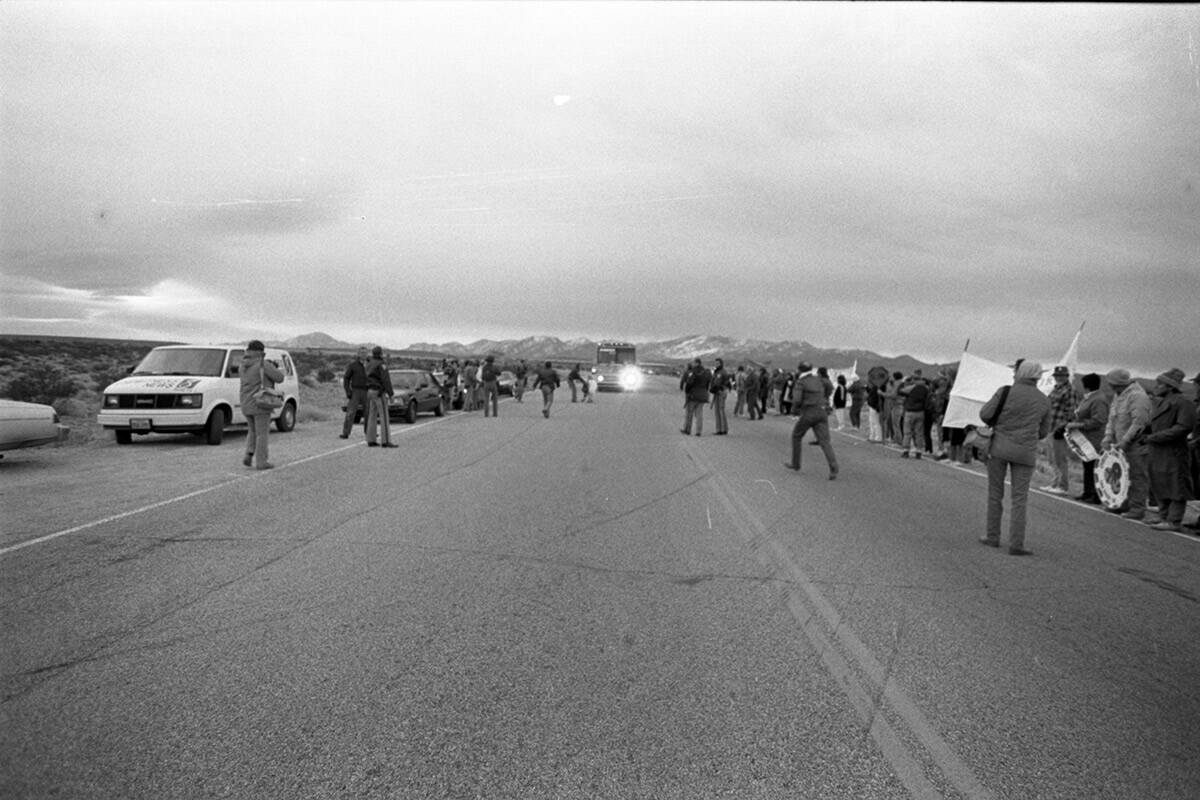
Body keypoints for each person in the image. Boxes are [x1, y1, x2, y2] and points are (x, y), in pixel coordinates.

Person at [979, 359, 1053, 556]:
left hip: (999, 448)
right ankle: (1016, 543)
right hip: (1025, 452)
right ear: (1038, 376)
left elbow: (985, 414)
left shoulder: (1005, 391)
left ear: (1019, 372)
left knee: (995, 494)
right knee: (1020, 498)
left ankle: (992, 536)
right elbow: (1044, 432)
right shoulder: (1044, 400)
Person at [1143, 368, 1195, 532]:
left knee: (1176, 485)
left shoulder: (1183, 403)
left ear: (1170, 386)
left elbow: (1183, 427)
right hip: (1158, 450)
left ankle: (1174, 520)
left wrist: (1155, 437)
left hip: (1174, 450)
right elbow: (1154, 424)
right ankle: (1163, 515)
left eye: (1160, 383)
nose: (1156, 386)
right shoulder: (1160, 402)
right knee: (1159, 482)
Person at [1100, 368, 1152, 519]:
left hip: (1135, 444)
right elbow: (1112, 418)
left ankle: (1137, 508)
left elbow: (1139, 423)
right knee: (1121, 475)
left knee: (1136, 476)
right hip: (1118, 444)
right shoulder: (1119, 396)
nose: (1109, 386)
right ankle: (1121, 503)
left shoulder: (1137, 397)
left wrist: (1125, 441)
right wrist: (1107, 437)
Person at [784, 361, 839, 479]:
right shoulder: (818, 379)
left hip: (809, 412)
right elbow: (829, 387)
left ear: (800, 370)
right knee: (824, 442)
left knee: (796, 436)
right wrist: (825, 399)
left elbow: (797, 400)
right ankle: (833, 467)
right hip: (822, 411)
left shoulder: (801, 382)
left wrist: (794, 411)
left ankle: (796, 463)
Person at [239, 339, 285, 470]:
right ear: (261, 351)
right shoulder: (262, 364)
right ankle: (261, 462)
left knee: (252, 431)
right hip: (261, 402)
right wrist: (273, 367)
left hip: (245, 402)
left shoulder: (242, 365)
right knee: (262, 434)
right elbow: (279, 378)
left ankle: (249, 453)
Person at [1065, 372, 1109, 504]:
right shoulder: (1090, 398)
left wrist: (1078, 424)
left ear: (1085, 385)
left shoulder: (1098, 399)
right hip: (1085, 437)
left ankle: (1095, 495)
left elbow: (1099, 420)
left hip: (1094, 438)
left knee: (1093, 467)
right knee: (1087, 466)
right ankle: (1087, 492)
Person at [1042, 365, 1082, 495]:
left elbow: (1071, 412)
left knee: (1060, 458)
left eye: (1061, 376)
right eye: (1057, 376)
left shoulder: (1070, 390)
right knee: (1051, 457)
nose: (1058, 378)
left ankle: (1062, 485)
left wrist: (1063, 426)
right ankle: (1055, 482)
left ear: (1066, 377)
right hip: (1050, 426)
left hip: (1059, 428)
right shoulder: (1056, 389)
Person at [364, 346, 397, 448]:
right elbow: (385, 380)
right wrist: (391, 394)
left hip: (370, 391)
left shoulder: (369, 364)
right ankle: (385, 441)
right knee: (384, 416)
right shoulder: (381, 364)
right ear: (381, 354)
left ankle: (371, 439)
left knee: (372, 416)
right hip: (378, 392)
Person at [898, 370, 930, 459]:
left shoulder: (912, 387)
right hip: (921, 412)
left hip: (910, 411)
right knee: (919, 432)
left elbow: (899, 391)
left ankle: (906, 451)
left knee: (907, 432)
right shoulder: (926, 388)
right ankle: (919, 451)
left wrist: (903, 382)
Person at [340, 347, 369, 439]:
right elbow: (346, 378)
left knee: (369, 412)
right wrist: (348, 391)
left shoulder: (370, 365)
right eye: (361, 353)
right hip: (356, 391)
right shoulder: (353, 365)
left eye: (365, 353)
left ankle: (369, 432)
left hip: (367, 391)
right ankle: (346, 432)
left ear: (367, 354)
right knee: (351, 412)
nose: (363, 354)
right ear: (358, 354)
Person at [680, 358, 711, 436]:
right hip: (703, 395)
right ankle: (698, 431)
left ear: (696, 363)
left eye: (694, 363)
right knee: (699, 414)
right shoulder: (706, 372)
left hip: (693, 394)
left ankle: (687, 429)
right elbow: (708, 383)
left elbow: (689, 383)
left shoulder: (692, 372)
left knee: (689, 413)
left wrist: (687, 392)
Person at [709, 358, 729, 435]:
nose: (716, 364)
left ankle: (724, 429)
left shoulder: (723, 372)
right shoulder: (716, 372)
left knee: (721, 410)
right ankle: (719, 429)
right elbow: (714, 381)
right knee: (717, 411)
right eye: (715, 363)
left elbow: (725, 382)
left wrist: (720, 388)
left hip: (721, 392)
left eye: (718, 363)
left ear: (721, 363)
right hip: (716, 392)